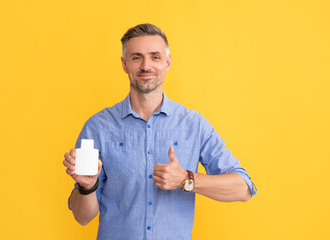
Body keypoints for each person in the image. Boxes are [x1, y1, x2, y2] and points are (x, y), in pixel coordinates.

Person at [63, 23, 257, 240]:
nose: (146, 65)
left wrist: (186, 179)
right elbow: (82, 217)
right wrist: (87, 187)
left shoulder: (193, 125)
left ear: (168, 62)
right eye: (137, 57)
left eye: (155, 57)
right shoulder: (98, 127)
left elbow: (243, 188)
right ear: (124, 64)